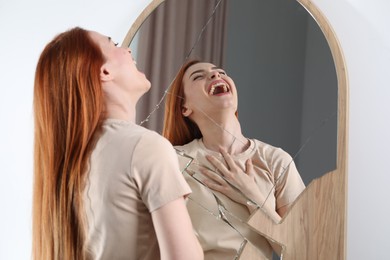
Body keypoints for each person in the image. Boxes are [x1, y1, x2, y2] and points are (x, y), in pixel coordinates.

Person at [32, 27, 203, 260]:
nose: (127, 49)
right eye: (113, 44)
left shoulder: (67, 167)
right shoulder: (145, 147)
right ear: (104, 71)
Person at [163, 60, 305, 259]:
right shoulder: (170, 160)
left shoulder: (276, 160)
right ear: (184, 108)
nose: (215, 76)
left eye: (220, 72)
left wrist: (253, 198)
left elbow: (303, 250)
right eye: (199, 76)